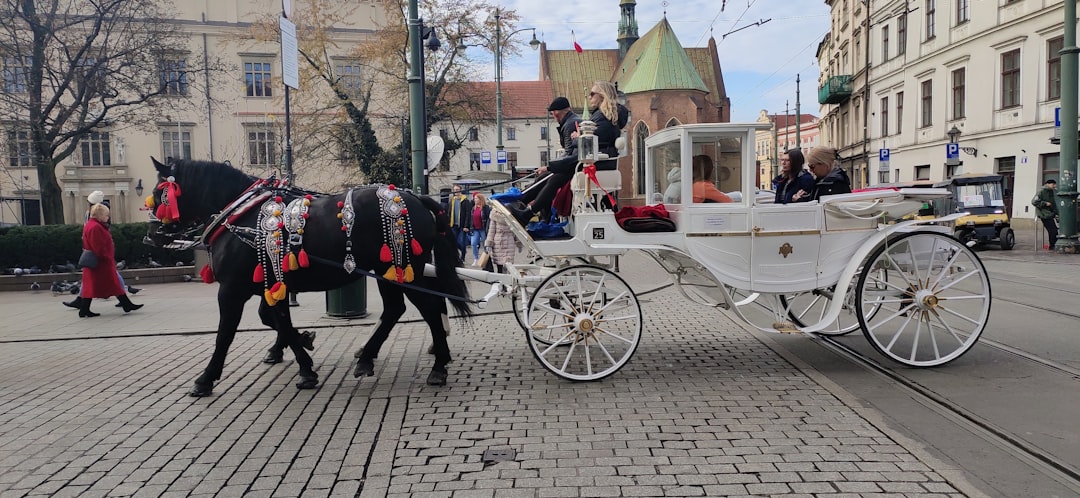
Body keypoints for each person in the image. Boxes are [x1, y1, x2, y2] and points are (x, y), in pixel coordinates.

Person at [509, 81, 629, 226]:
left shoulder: (604, 117)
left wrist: (577, 138)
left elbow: (590, 143)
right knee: (552, 176)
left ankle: (526, 211)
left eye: (592, 94)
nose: (589, 97)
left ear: (602, 96)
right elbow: (591, 141)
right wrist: (579, 138)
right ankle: (525, 207)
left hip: (596, 161)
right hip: (593, 159)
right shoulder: (602, 116)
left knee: (554, 177)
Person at [77, 203, 142, 317]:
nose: (108, 217)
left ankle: (84, 309)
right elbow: (98, 246)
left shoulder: (91, 225)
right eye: (106, 215)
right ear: (100, 215)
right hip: (101, 263)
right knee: (112, 284)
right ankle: (126, 304)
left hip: (98, 262)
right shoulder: (95, 227)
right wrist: (107, 257)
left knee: (92, 286)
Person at [484, 209, 522, 273]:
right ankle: (501, 280)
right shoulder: (495, 215)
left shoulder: (512, 215)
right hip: (498, 243)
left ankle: (507, 280)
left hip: (509, 241)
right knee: (499, 265)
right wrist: (489, 243)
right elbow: (491, 230)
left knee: (509, 265)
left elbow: (516, 231)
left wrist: (519, 243)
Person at [446, 185, 472, 263]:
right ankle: (456, 255)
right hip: (453, 225)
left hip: (462, 225)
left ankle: (463, 256)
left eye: (457, 189)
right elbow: (449, 213)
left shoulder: (465, 201)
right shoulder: (452, 201)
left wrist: (466, 226)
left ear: (460, 190)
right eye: (454, 190)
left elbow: (468, 214)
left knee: (462, 241)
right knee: (453, 241)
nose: (456, 191)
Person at [1033, 178, 1058, 248]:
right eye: (1053, 184)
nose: (1054, 186)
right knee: (1053, 230)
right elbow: (1034, 201)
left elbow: (1054, 203)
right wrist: (1045, 203)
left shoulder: (1052, 191)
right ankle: (1052, 245)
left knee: (1053, 230)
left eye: (1054, 184)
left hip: (1050, 213)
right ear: (1048, 184)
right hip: (1044, 214)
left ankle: (1053, 244)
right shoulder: (1041, 191)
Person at [468, 192, 491, 266]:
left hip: (483, 229)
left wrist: (488, 228)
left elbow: (488, 218)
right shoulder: (473, 208)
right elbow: (471, 219)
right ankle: (476, 258)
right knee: (473, 243)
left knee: (485, 244)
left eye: (476, 198)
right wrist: (470, 227)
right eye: (474, 198)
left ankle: (486, 259)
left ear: (480, 199)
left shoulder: (486, 208)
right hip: (475, 229)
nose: (474, 200)